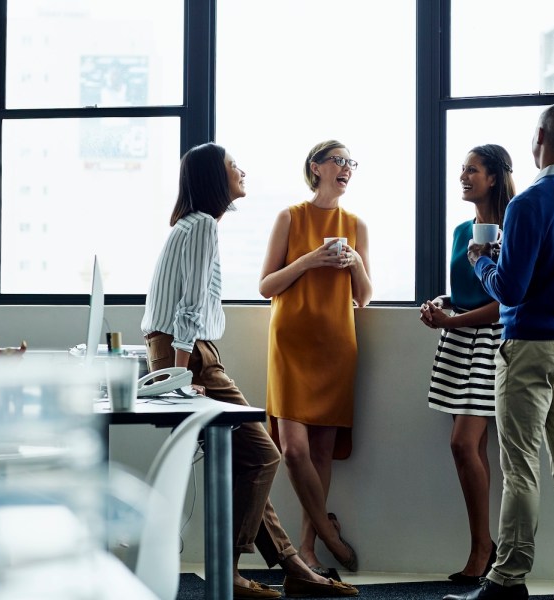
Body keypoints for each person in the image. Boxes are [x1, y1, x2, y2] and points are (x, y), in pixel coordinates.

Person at [141, 142, 358, 600]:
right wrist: (182, 380)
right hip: (189, 356)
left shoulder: (191, 225)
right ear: (214, 178)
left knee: (247, 458)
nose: (242, 171)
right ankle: (230, 572)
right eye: (233, 166)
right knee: (263, 455)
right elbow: (189, 309)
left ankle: (293, 568)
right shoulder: (203, 226)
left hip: (187, 352)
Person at [444, 103, 554, 600]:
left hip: (531, 345)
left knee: (519, 465)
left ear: (539, 137)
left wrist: (480, 260)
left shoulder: (528, 203)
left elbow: (510, 291)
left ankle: (507, 579)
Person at [259, 140, 372, 577]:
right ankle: (329, 532)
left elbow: (363, 297)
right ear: (316, 167)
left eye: (350, 163)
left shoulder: (356, 224)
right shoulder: (290, 217)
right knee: (293, 451)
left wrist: (354, 263)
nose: (346, 168)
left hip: (336, 346)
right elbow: (266, 286)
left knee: (322, 453)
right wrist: (309, 260)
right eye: (338, 160)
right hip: (291, 346)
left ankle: (308, 549)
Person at [419, 144, 515, 584]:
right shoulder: (461, 231)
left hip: (491, 341)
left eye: (472, 170)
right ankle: (484, 545)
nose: (463, 176)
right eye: (462, 169)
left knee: (463, 444)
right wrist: (442, 304)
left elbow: (505, 302)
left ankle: (483, 547)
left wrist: (452, 320)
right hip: (458, 341)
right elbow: (466, 290)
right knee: (469, 448)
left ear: (493, 177)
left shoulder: (512, 229)